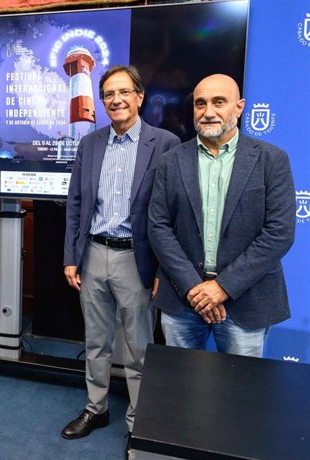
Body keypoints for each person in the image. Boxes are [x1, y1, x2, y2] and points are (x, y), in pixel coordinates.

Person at [62, 65, 180, 443]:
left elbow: (174, 211)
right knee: (96, 340)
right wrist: (71, 256)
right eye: (109, 94)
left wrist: (164, 267)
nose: (116, 100)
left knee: (138, 346)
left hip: (137, 258)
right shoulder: (90, 144)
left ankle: (137, 420)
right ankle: (96, 408)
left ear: (140, 97)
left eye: (124, 92)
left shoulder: (165, 144)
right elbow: (76, 204)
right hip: (94, 253)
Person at [148, 74, 295, 357]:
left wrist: (222, 287)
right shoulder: (171, 161)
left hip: (247, 300)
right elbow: (159, 227)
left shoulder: (272, 160)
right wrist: (194, 286)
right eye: (200, 104)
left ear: (239, 107)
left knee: (241, 392)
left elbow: (279, 233)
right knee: (178, 388)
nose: (208, 112)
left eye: (219, 102)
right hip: (183, 297)